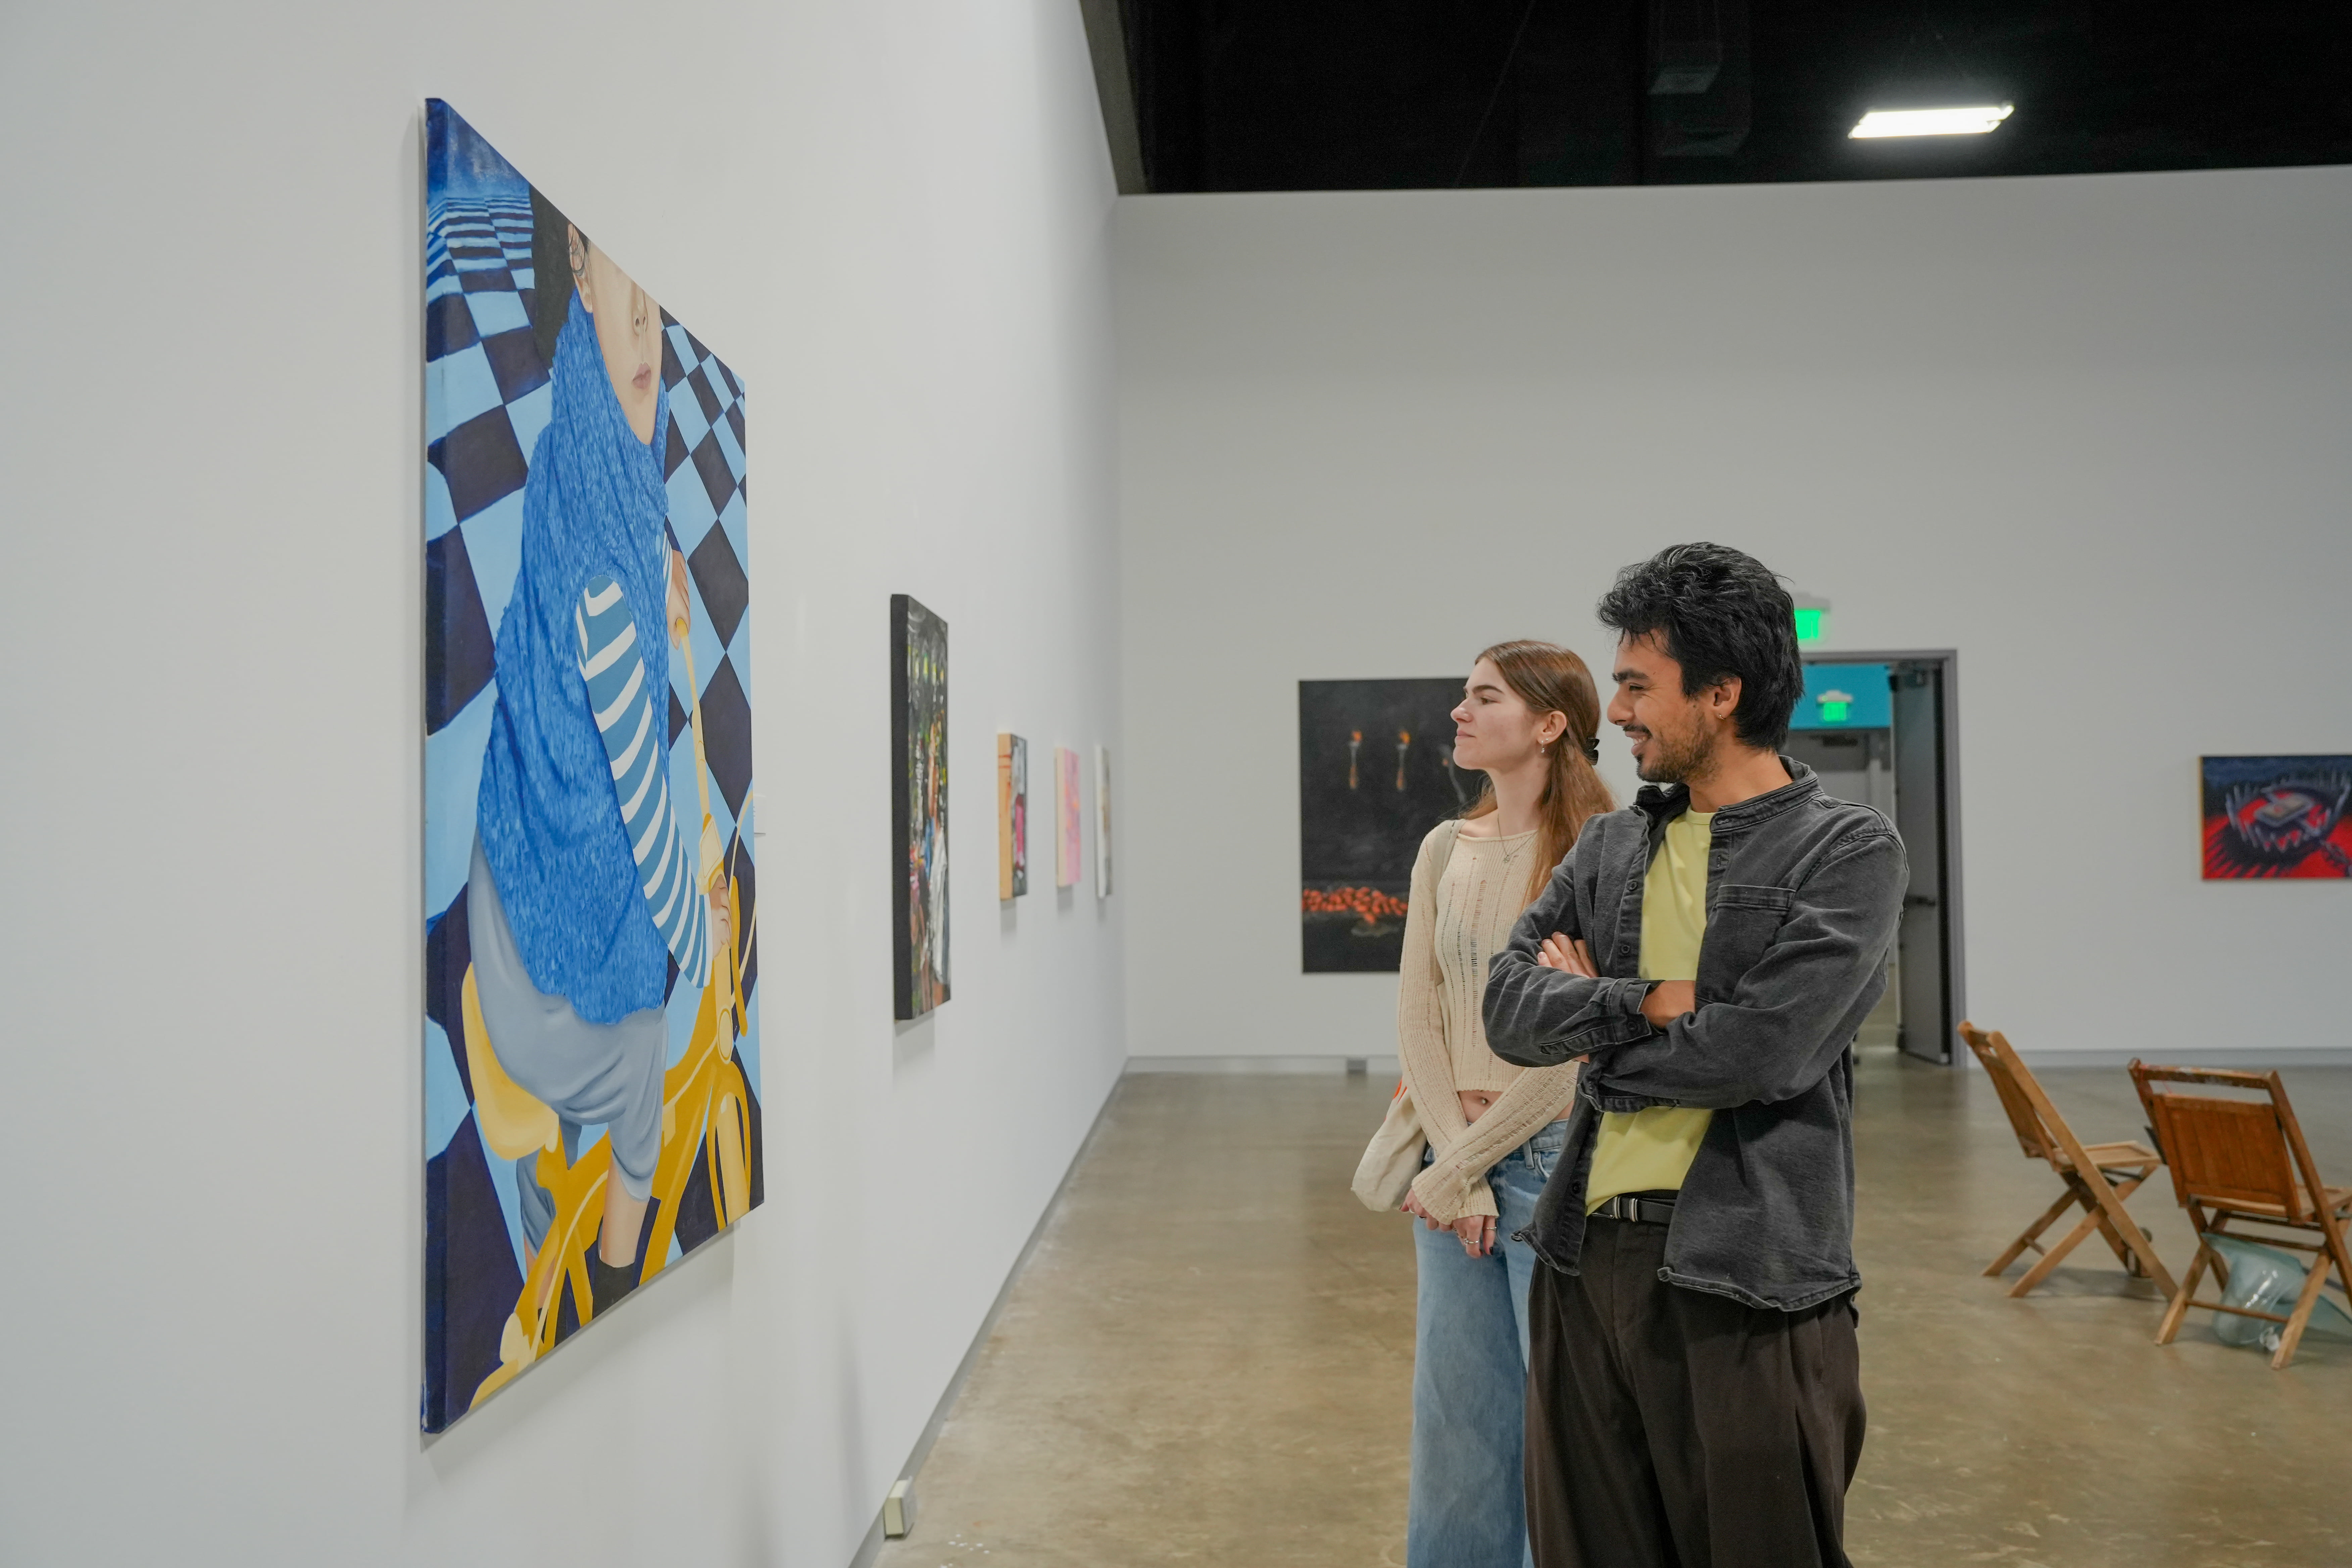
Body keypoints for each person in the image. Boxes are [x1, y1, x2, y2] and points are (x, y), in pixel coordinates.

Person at [1481, 544, 1906, 1568]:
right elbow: (1505, 1005)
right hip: (1584, 1261)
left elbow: (1763, 1054)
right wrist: (1647, 1003)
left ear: (1722, 693)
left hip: (1750, 1277)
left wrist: (1592, 1035)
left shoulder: (1846, 852)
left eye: (1637, 684)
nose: (1616, 710)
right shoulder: (1610, 848)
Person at [470, 196, 731, 1305]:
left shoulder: (586, 408)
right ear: (578, 273)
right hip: (530, 955)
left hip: (504, 850)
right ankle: (615, 1295)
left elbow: (613, 523)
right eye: (627, 306)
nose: (646, 337)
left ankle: (539, 1190)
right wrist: (707, 941)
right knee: (648, 1068)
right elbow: (642, 809)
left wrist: (659, 558)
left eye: (657, 314)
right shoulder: (608, 594)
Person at [1388, 641, 1615, 1568]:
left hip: (1554, 1162)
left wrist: (1472, 1162)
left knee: (1565, 1430)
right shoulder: (1445, 847)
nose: (1459, 712)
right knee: (1456, 1427)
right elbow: (1419, 1011)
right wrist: (1454, 1163)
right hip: (1450, 1171)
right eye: (1464, 697)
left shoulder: (1606, 853)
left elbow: (1587, 1042)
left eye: (1484, 697)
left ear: (1550, 724)